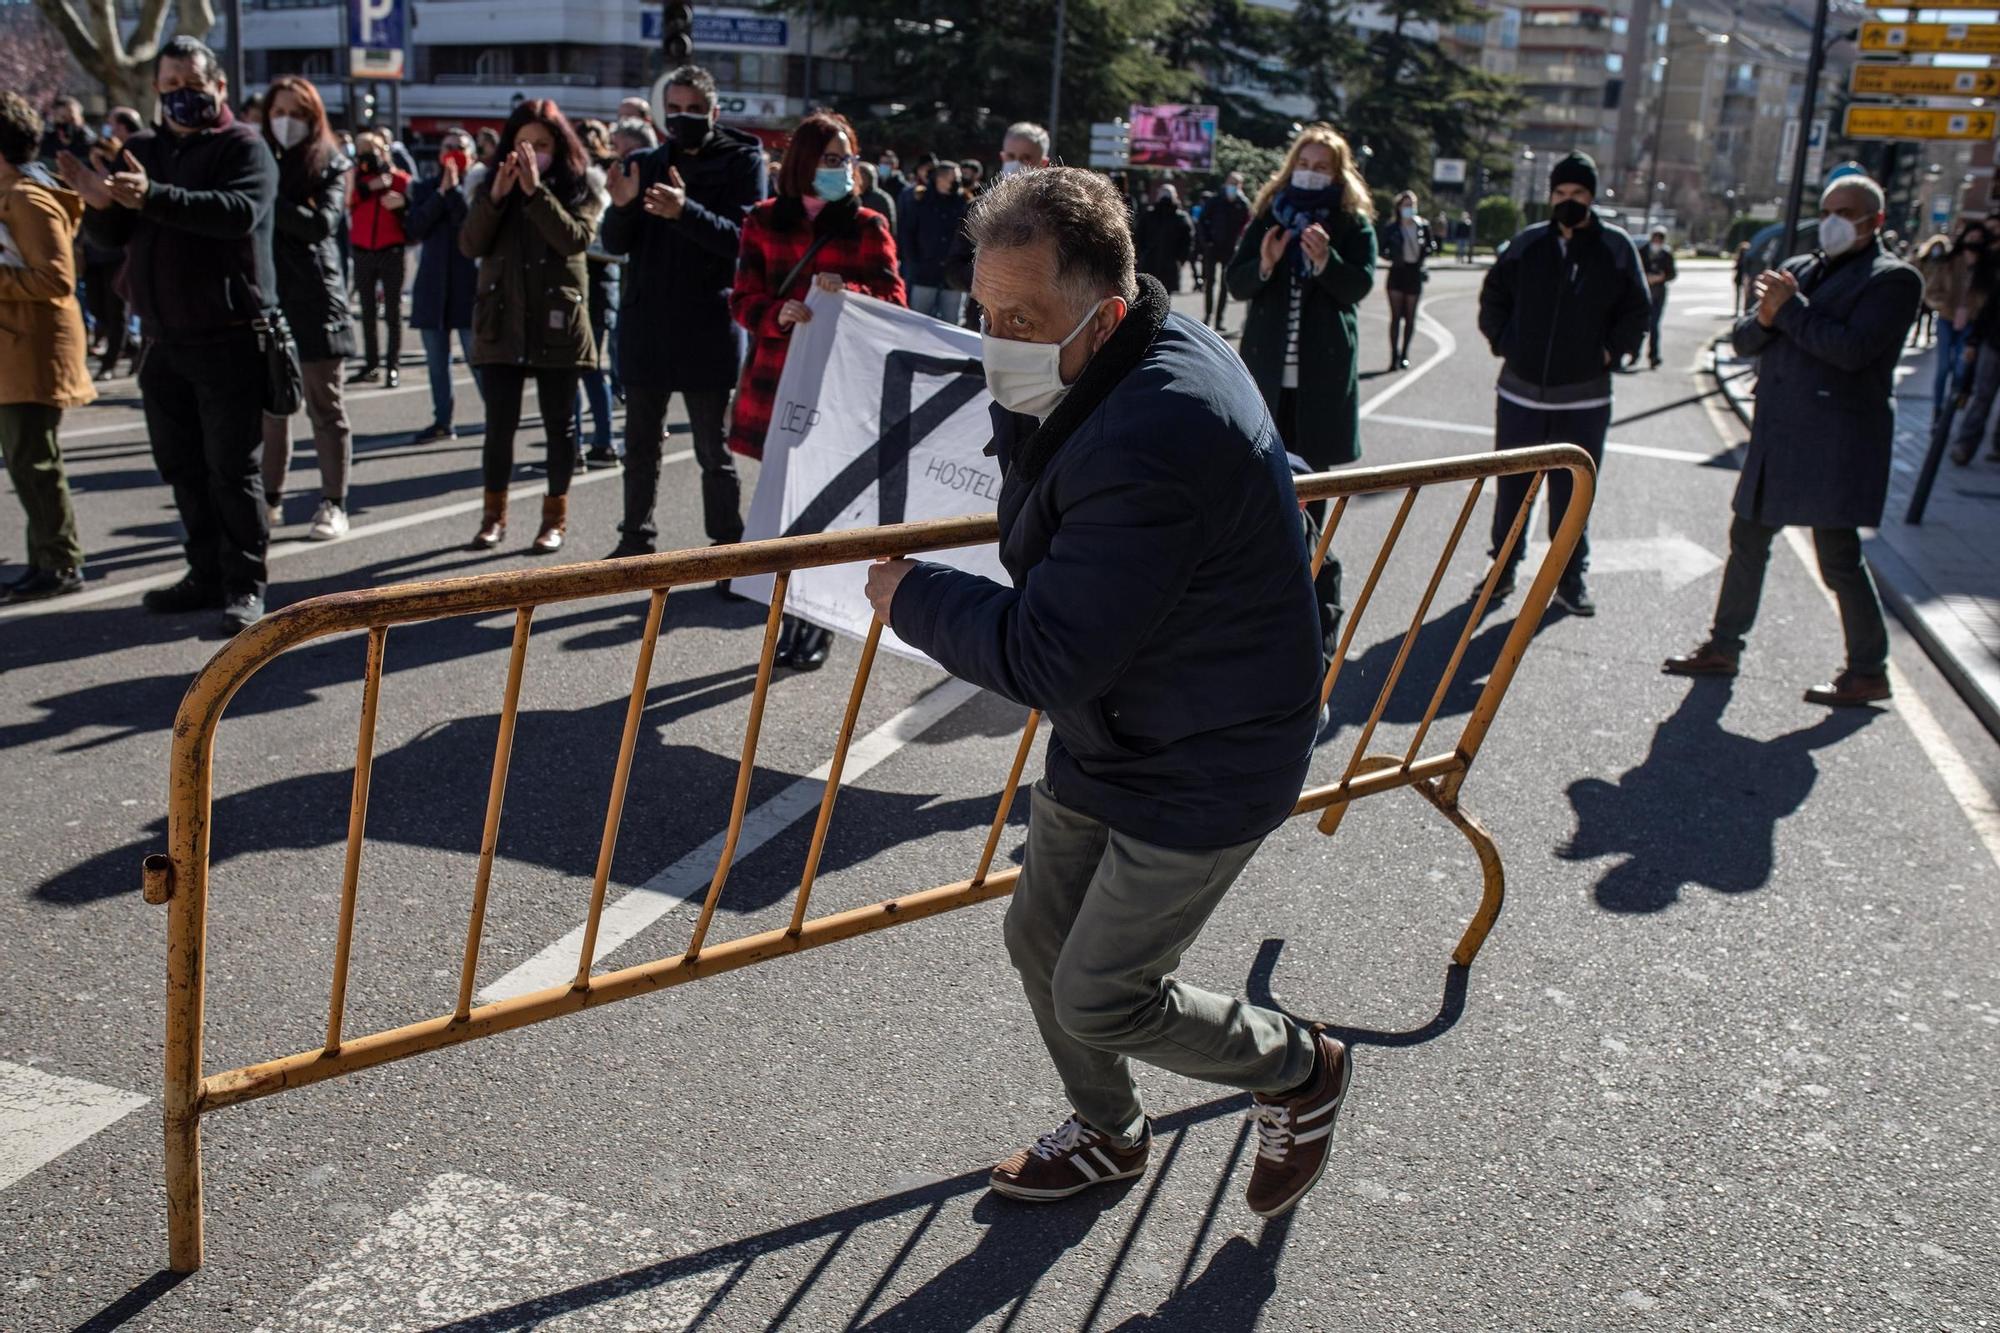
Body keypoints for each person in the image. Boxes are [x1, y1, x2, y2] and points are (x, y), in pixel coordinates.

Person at [863, 167, 1349, 1220]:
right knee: (1037, 938)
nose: (995, 341)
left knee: (1101, 989)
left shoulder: (1152, 432)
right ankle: (1108, 1130)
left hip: (1207, 756)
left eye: (1021, 319)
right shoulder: (1110, 363)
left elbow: (1046, 654)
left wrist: (907, 595)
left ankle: (1297, 1068)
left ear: (1105, 311)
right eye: (984, 314)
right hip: (1128, 722)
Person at [1663, 174, 1921, 707]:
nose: (1832, 221)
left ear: (1874, 223)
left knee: (1838, 557)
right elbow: (1743, 338)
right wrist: (1765, 315)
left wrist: (1789, 310)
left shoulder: (1893, 280)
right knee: (1748, 538)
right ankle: (1724, 645)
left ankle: (1868, 669)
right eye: (1827, 209)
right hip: (1779, 434)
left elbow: (1852, 350)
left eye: (1845, 212)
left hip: (1838, 442)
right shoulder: (1799, 270)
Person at [58, 35, 278, 633]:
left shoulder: (245, 147)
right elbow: (113, 238)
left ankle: (244, 583)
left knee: (232, 471)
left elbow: (234, 213)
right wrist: (99, 205)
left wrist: (152, 195)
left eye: (193, 85)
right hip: (162, 341)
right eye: (171, 87)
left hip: (228, 339)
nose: (182, 96)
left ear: (220, 88)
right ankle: (203, 572)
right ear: (156, 91)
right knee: (181, 468)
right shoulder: (143, 148)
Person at [729, 109, 904, 668]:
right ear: (804, 162)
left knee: (822, 513)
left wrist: (845, 290)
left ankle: (815, 620)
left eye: (848, 158)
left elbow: (894, 302)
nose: (843, 168)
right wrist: (777, 311)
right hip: (777, 382)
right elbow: (742, 300)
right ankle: (787, 612)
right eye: (831, 159)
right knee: (781, 511)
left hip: (840, 390)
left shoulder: (869, 224)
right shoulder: (762, 220)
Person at [1475, 150, 1650, 618]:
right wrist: (1504, 341)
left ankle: (1570, 578)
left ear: (1591, 198)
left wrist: (1611, 352)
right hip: (1519, 392)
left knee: (1572, 493)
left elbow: (1638, 308)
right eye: (1560, 193)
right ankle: (1503, 569)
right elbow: (1493, 295)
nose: (1568, 201)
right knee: (1512, 488)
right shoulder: (1528, 244)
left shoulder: (1615, 248)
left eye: (1577, 194)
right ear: (1550, 195)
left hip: (1585, 398)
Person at [600, 64, 764, 560]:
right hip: (646, 324)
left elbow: (744, 241)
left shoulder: (742, 160)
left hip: (706, 327)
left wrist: (683, 211)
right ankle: (634, 541)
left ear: (713, 112)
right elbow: (613, 242)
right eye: (674, 108)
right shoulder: (646, 161)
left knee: (713, 451)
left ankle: (727, 550)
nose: (683, 117)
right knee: (640, 447)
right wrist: (623, 206)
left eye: (694, 109)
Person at [1226, 123, 1377, 658]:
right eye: (1304, 163)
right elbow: (1237, 283)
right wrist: (1265, 262)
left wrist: (1323, 262)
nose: (1310, 173)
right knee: (1259, 499)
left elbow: (1358, 286)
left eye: (1322, 167)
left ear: (1338, 176)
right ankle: (1262, 616)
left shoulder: (1353, 223)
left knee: (1308, 508)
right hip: (1267, 382)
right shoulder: (1269, 216)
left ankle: (1318, 622)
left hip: (1317, 388)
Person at [460, 98, 600, 554]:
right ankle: (492, 516)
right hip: (501, 320)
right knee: (499, 424)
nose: (530, 152)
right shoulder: (487, 183)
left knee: (560, 425)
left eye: (541, 144)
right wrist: (497, 198)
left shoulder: (580, 185)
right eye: (523, 143)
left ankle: (553, 519)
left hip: (557, 320)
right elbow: (470, 244)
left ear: (559, 147)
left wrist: (537, 192)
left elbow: (574, 239)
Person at [0, 90, 92, 603]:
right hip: (16, 347)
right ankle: (46, 559)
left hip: (31, 348)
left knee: (33, 457)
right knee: (24, 457)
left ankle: (58, 562)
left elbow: (56, 279)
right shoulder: (13, 192)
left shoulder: (26, 198)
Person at [257, 76, 355, 542]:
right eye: (279, 112)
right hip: (266, 299)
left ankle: (333, 503)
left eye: (298, 113)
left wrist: (265, 196)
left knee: (325, 407)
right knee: (273, 409)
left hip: (317, 299)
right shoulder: (254, 156)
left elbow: (321, 224)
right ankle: (269, 501)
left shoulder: (332, 161)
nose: (287, 122)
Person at [405, 128, 484, 443]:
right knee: (437, 363)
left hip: (467, 286)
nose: (452, 153)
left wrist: (452, 193)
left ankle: (497, 416)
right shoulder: (425, 188)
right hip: (433, 286)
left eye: (460, 148)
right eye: (447, 147)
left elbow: (468, 226)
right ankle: (442, 420)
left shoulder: (478, 190)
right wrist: (440, 193)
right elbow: (414, 227)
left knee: (476, 358)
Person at [347, 130, 409, 387]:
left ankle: (392, 365)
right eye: (361, 150)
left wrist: (402, 202)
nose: (367, 156)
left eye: (371, 150)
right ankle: (371, 364)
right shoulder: (354, 179)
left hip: (391, 250)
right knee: (368, 311)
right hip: (363, 250)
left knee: (392, 313)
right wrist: (365, 187)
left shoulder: (399, 179)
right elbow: (344, 202)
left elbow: (413, 209)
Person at [574, 119, 618, 467]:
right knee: (582, 370)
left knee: (584, 369)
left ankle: (599, 442)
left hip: (596, 286)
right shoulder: (572, 179)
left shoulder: (602, 183)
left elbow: (606, 243)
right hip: (585, 288)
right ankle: (586, 443)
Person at [1923, 224, 1985, 421]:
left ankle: (1953, 405)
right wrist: (1942, 304)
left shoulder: (1984, 268)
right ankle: (1937, 407)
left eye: (1978, 240)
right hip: (1946, 319)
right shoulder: (1950, 263)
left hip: (1969, 322)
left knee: (1960, 368)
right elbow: (1932, 290)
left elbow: (1986, 298)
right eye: (1970, 238)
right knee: (1943, 367)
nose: (1973, 243)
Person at [1947, 238, 2000, 466]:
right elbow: (1989, 310)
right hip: (1994, 343)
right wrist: (1974, 341)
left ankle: (1998, 446)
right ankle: (1964, 446)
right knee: (1982, 396)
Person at [902, 158, 967, 324]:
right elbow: (908, 233)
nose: (958, 181)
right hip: (924, 273)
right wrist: (914, 262)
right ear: (940, 178)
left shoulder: (963, 203)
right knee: (918, 320)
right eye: (954, 177)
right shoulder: (921, 201)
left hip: (953, 277)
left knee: (952, 323)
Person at [1377, 189, 1435, 370]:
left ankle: (1404, 354)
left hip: (1414, 273)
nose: (1409, 208)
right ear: (1399, 207)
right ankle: (1393, 356)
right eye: (1406, 205)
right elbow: (1382, 249)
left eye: (1412, 205)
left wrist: (1426, 249)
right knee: (1396, 318)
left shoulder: (1422, 226)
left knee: (1410, 317)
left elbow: (1431, 245)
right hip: (1397, 272)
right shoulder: (1392, 227)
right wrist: (1391, 256)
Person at [1195, 171, 1249, 334]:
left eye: (1237, 184)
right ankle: (1208, 316)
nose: (1233, 186)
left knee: (1225, 284)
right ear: (1225, 183)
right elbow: (1202, 221)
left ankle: (1219, 319)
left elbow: (1247, 226)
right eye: (1231, 182)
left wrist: (1240, 245)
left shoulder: (1243, 203)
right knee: (1209, 282)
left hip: (1230, 249)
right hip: (1212, 248)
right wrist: (1206, 242)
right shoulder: (1214, 201)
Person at [1135, 183, 1192, 292]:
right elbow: (1138, 237)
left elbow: (1187, 241)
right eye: (1163, 192)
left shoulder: (1181, 217)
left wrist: (1181, 259)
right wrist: (1141, 255)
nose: (1165, 196)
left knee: (1166, 295)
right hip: (1149, 264)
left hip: (1170, 266)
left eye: (1168, 193)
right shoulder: (1149, 215)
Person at [1639, 226, 1677, 369]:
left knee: (1654, 325)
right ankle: (1633, 353)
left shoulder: (1666, 255)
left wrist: (1662, 277)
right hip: (1643, 293)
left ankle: (1653, 356)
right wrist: (1645, 277)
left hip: (1658, 294)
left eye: (1660, 240)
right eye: (1655, 238)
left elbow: (1673, 273)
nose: (1657, 242)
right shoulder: (1642, 251)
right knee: (1640, 323)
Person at [40, 97, 92, 164]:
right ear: (55, 119)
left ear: (81, 119)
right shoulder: (46, 144)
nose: (67, 122)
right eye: (63, 118)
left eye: (72, 119)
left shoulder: (90, 145)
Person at [856, 159, 896, 234]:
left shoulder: (882, 198)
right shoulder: (851, 198)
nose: (860, 180)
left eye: (863, 176)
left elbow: (890, 226)